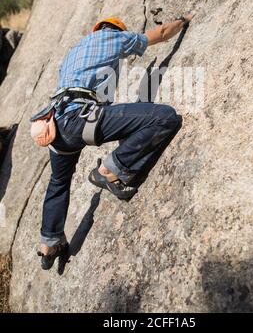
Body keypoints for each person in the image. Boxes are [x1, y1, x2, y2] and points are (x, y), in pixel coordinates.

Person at [38, 14, 193, 269]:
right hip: (80, 119)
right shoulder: (112, 37)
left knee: (58, 183)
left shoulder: (73, 52)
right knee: (165, 117)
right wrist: (183, 20)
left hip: (55, 125)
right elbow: (162, 33)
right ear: (116, 30)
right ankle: (109, 169)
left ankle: (49, 243)